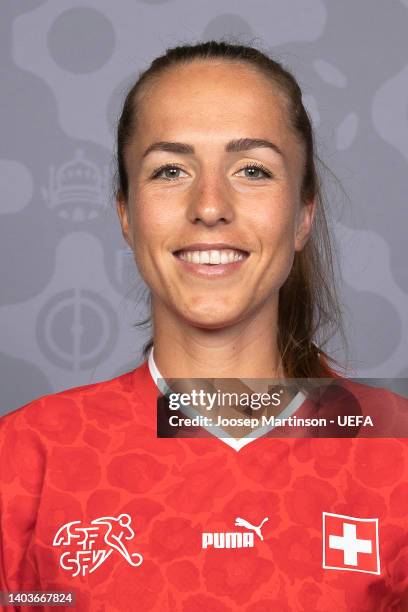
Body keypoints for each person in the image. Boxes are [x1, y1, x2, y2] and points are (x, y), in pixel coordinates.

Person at [1, 40, 407, 611]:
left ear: (303, 215)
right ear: (125, 213)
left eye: (253, 169)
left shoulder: (394, 451)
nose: (210, 205)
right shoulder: (24, 457)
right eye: (170, 169)